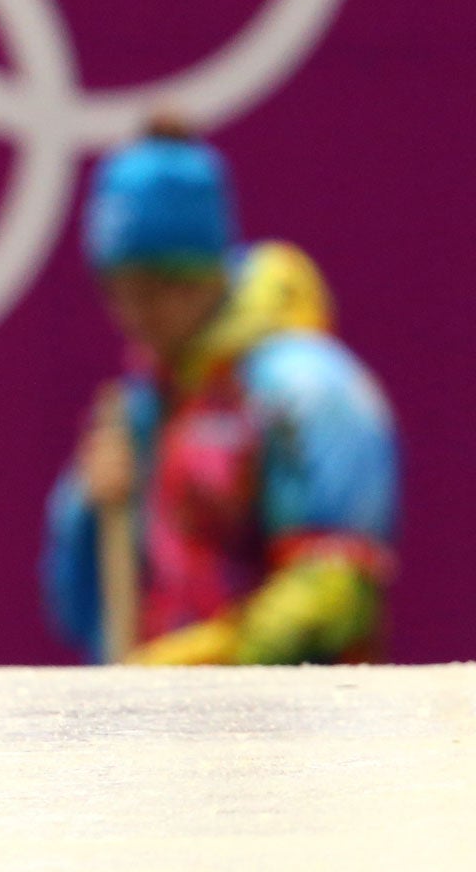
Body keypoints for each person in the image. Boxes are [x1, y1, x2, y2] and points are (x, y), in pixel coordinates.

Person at [41, 119, 398, 665]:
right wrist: (89, 509)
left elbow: (336, 591)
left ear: (207, 270)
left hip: (291, 736)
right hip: (161, 734)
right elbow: (78, 612)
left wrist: (197, 673)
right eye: (119, 291)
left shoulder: (308, 389)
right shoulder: (142, 407)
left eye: (160, 287)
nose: (137, 316)